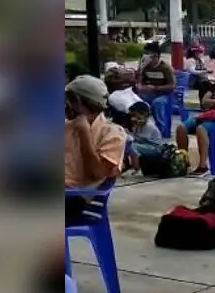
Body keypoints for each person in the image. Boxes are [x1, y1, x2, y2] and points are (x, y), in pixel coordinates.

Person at [65, 75, 126, 226]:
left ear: (78, 101)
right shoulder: (68, 124)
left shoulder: (113, 133)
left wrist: (84, 134)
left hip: (74, 198)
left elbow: (98, 172)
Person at [136, 41, 176, 114]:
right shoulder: (145, 66)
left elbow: (172, 86)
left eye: (146, 54)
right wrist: (141, 86)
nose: (144, 56)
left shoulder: (165, 68)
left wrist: (155, 88)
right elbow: (139, 82)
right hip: (149, 93)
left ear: (155, 55)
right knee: (135, 101)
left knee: (157, 102)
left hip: (164, 94)